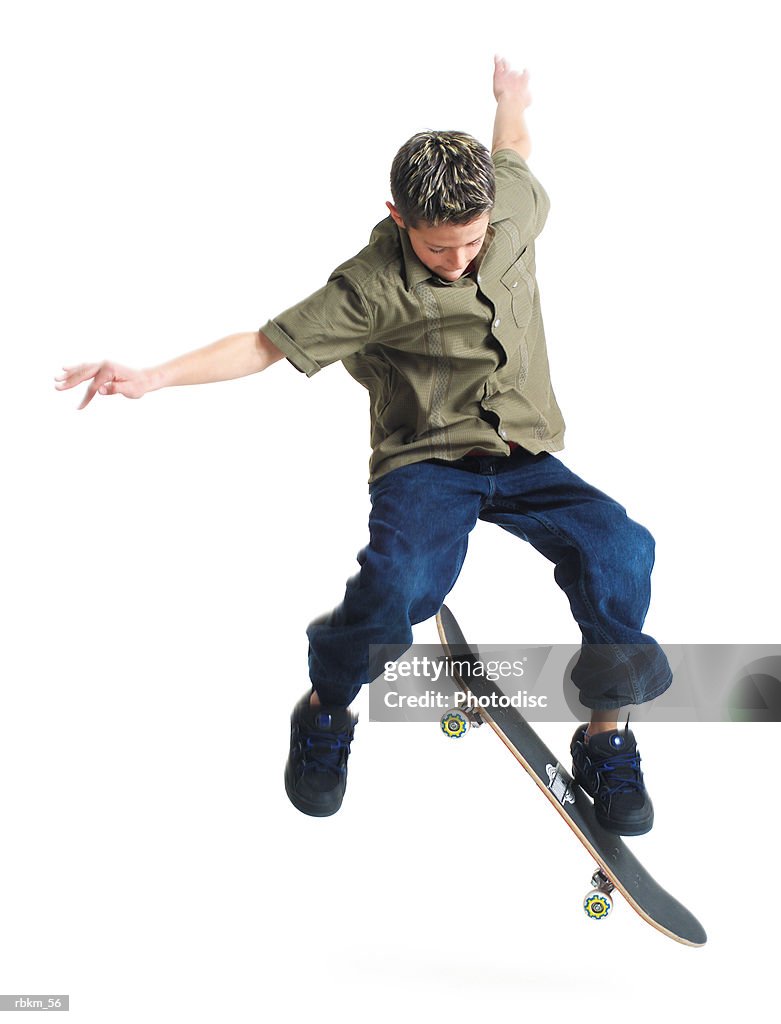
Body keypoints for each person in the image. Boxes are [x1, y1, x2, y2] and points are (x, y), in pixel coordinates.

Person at [55, 56, 671, 834]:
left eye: (471, 243)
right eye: (437, 248)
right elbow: (263, 344)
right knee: (398, 590)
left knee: (620, 548)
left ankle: (606, 734)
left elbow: (511, 150)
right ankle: (326, 708)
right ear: (396, 216)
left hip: (522, 452)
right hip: (425, 461)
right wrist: (151, 376)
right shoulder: (367, 286)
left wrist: (509, 100)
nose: (458, 260)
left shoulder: (508, 208)